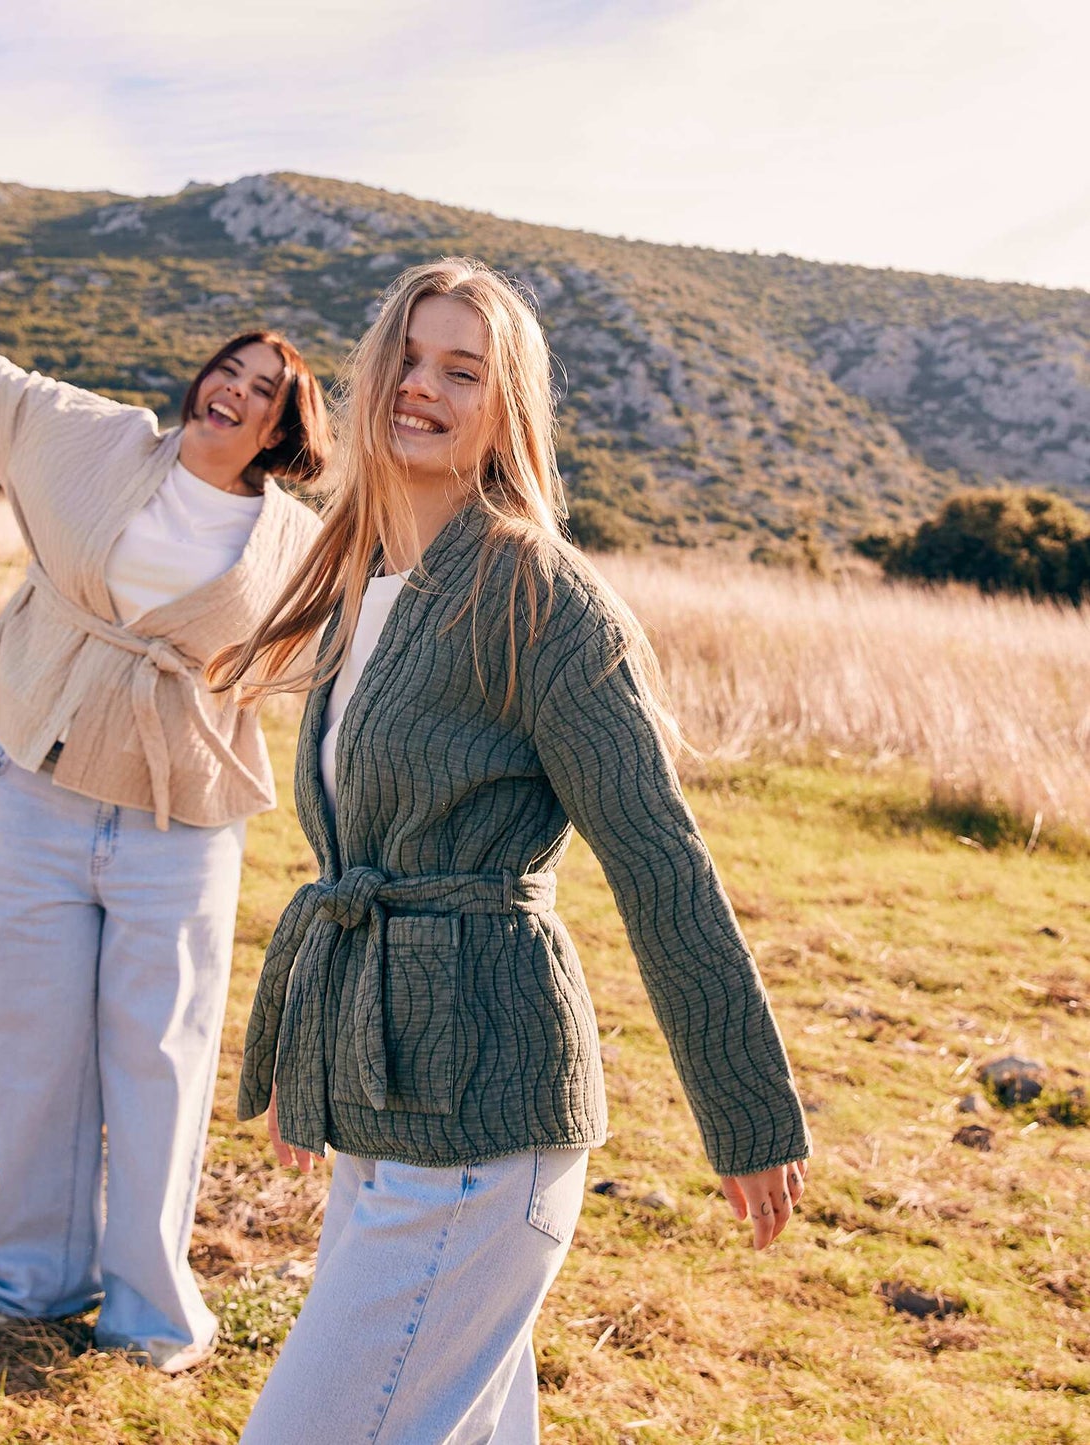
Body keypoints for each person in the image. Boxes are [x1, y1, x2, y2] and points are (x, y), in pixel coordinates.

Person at [208, 257, 811, 1442]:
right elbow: (353, 870)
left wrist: (746, 1108)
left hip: (483, 1123)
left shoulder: (537, 593)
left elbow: (657, 858)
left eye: (462, 371)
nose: (423, 388)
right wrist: (308, 1062)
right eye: (410, 359)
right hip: (380, 1101)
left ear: (505, 408)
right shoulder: (366, 579)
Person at [0, 259, 330, 1373]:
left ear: (282, 432)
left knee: (160, 1056)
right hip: (34, 791)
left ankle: (150, 1313)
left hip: (177, 821)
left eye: (261, 390)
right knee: (37, 1045)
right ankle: (24, 1282)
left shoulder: (298, 544)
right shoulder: (96, 442)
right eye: (225, 369)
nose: (229, 390)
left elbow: (339, 642)